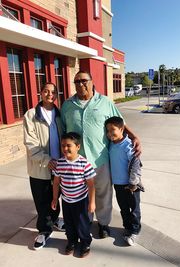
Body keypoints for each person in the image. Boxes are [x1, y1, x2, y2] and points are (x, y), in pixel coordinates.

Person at [61, 70, 141, 238]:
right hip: (77, 162)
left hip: (100, 159)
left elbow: (120, 122)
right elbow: (62, 130)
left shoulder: (104, 102)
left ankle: (104, 223)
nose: (80, 84)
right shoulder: (67, 105)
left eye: (84, 80)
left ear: (91, 82)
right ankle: (87, 220)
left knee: (103, 194)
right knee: (81, 194)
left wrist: (134, 136)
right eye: (77, 81)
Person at [23, 82, 64, 250]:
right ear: (40, 93)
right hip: (40, 167)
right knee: (42, 200)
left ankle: (54, 220)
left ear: (56, 94)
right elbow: (30, 143)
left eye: (53, 91)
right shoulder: (31, 115)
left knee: (56, 197)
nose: (49, 94)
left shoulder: (60, 114)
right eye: (46, 91)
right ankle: (44, 230)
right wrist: (48, 160)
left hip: (59, 166)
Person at [51, 132, 96, 258]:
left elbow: (91, 185)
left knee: (82, 224)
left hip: (81, 200)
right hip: (66, 201)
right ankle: (71, 241)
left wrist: (92, 202)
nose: (65, 148)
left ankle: (85, 242)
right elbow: (56, 182)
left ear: (78, 147)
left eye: (69, 145)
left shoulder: (84, 164)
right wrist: (55, 198)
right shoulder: (60, 163)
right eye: (63, 145)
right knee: (69, 224)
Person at [105, 116, 144, 246]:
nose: (110, 134)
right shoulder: (111, 144)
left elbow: (135, 164)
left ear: (122, 129)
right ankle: (127, 228)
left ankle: (134, 231)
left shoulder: (128, 145)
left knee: (134, 209)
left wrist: (133, 183)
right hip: (118, 184)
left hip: (131, 185)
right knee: (123, 208)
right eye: (107, 131)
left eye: (113, 130)